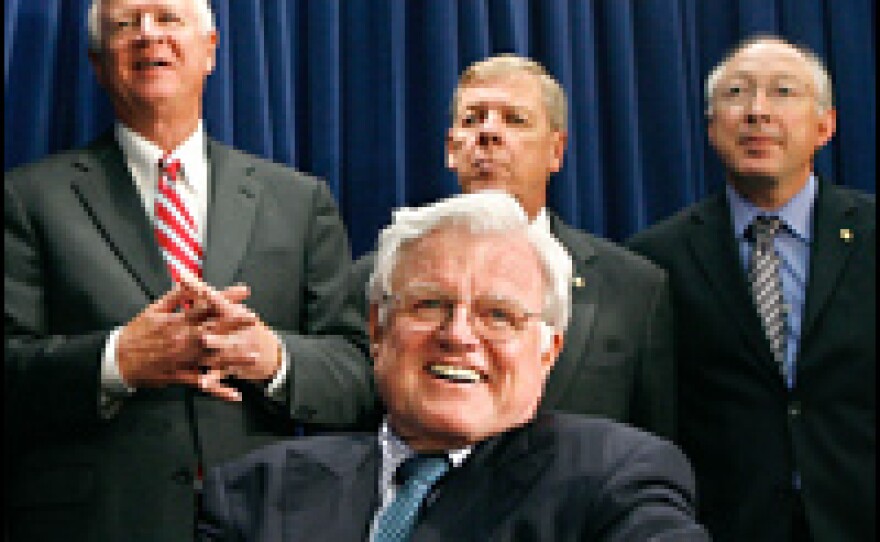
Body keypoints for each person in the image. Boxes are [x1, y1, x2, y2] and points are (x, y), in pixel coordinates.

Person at [4, 0, 377, 540]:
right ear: (98, 65)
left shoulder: (299, 200)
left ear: (210, 50)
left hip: (266, 517)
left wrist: (273, 358)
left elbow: (357, 376)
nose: (148, 35)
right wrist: (117, 361)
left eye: (167, 18)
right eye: (125, 24)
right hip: (97, 521)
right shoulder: (27, 198)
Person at [197, 191, 708, 541]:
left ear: (548, 352)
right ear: (377, 328)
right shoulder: (256, 492)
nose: (458, 335)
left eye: (499, 315)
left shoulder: (614, 480)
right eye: (429, 305)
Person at [348, 54, 676, 439]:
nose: (488, 132)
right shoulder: (376, 276)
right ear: (451, 149)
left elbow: (656, 446)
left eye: (514, 119)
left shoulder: (634, 288)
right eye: (473, 119)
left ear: (556, 150)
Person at [627, 35, 875, 542]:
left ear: (825, 125)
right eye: (737, 93)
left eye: (783, 92)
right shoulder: (656, 258)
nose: (757, 112)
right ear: (711, 126)